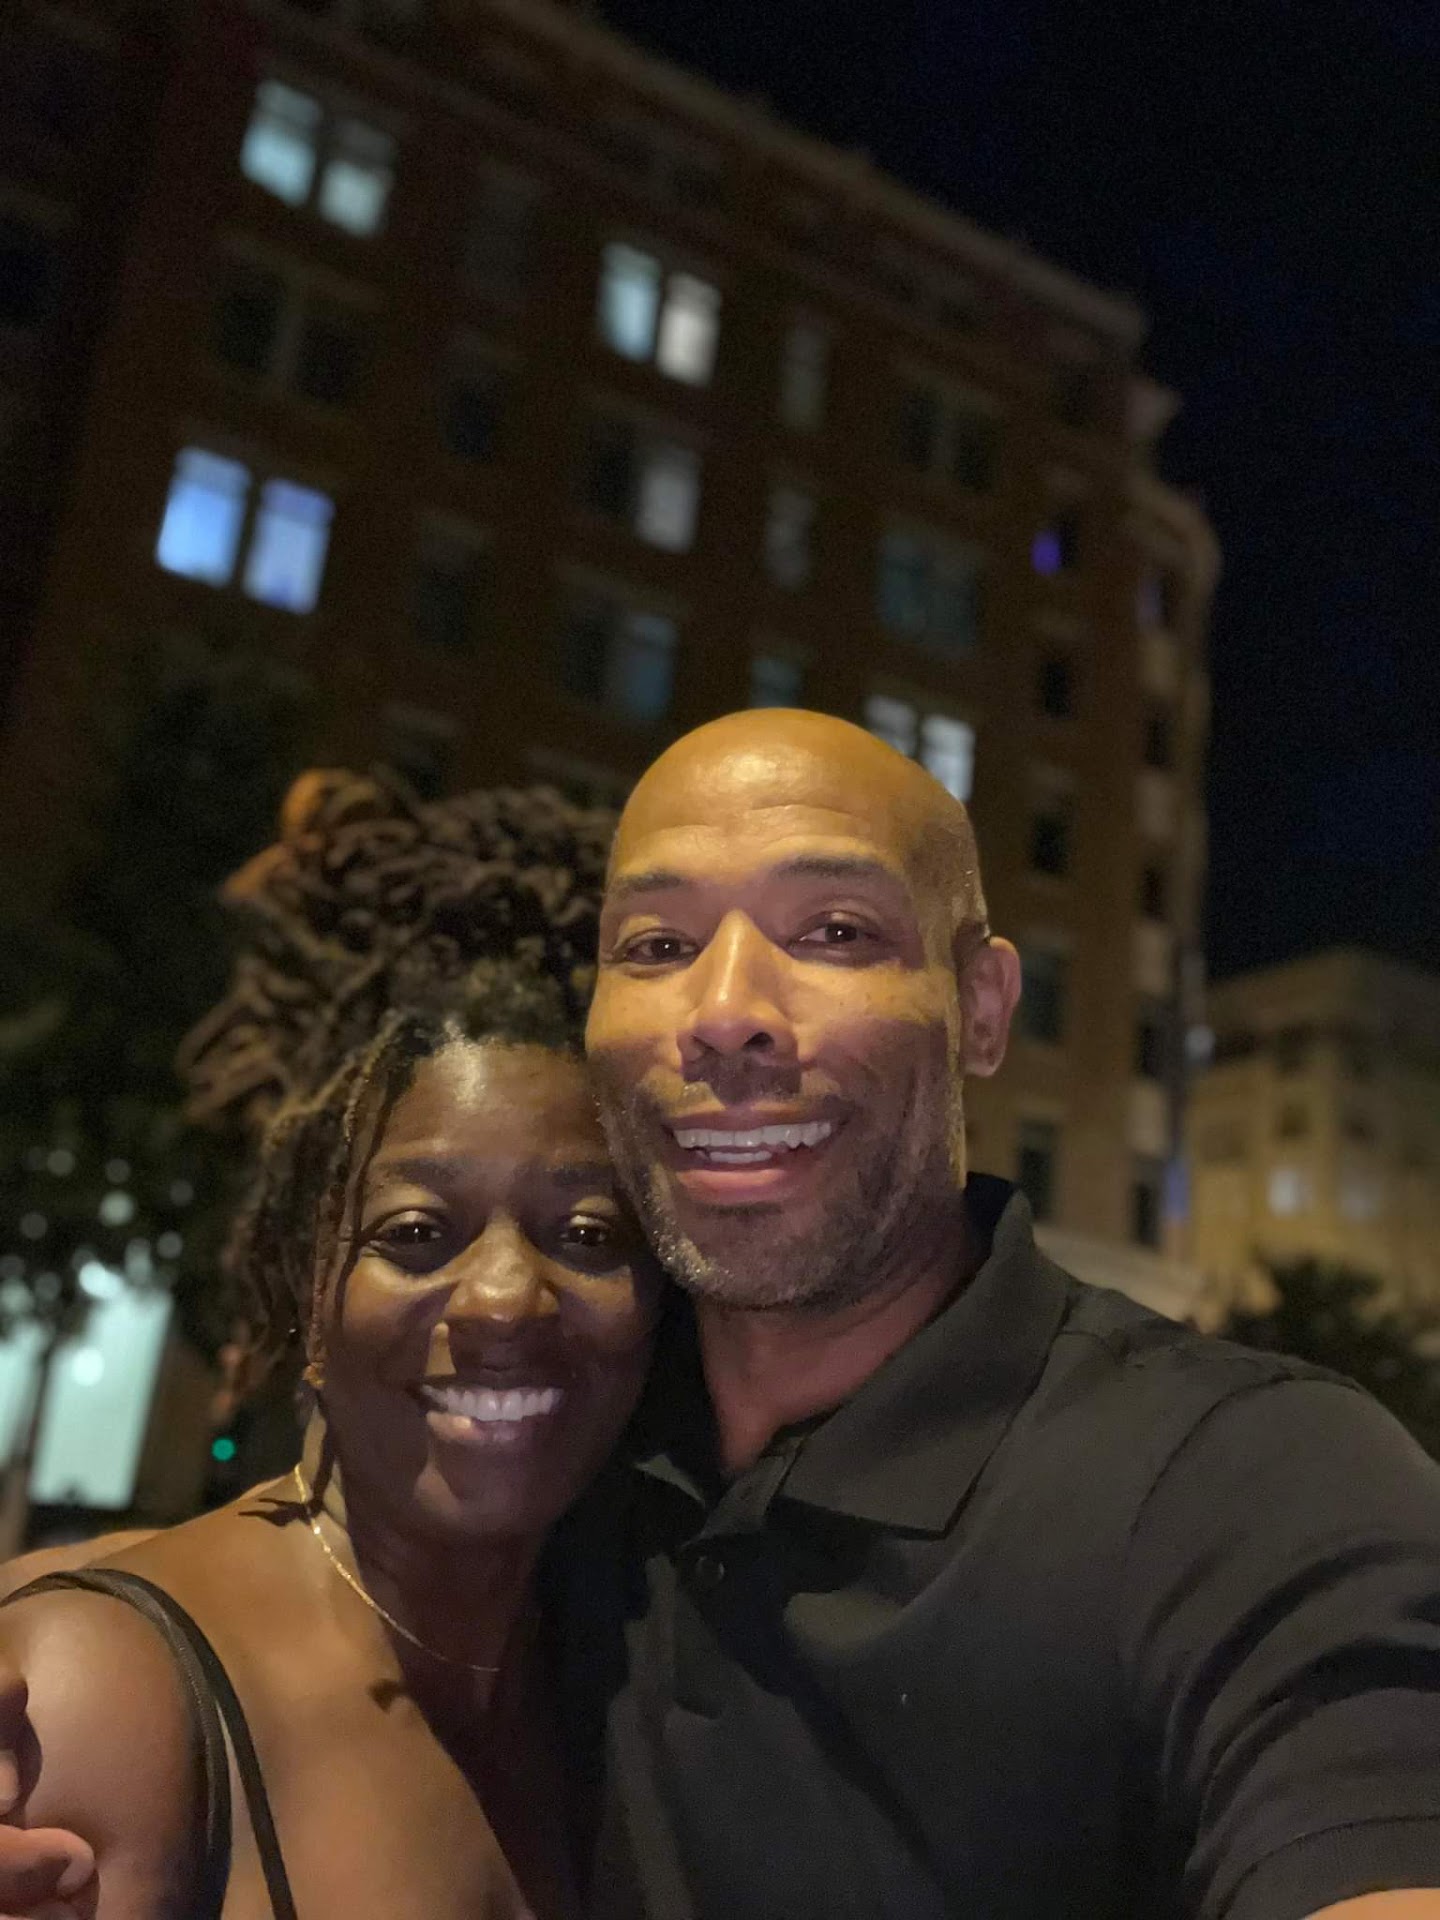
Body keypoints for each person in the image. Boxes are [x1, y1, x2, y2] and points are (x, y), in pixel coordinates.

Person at [7, 710, 1440, 1919]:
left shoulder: (1250, 1487)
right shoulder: (573, 1434)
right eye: (656, 943)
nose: (727, 1008)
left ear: (982, 1007)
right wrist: (58, 1658)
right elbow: (294, 1559)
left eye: (835, 929)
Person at [0, 771, 659, 1919]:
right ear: (313, 1298)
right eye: (416, 1234)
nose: (506, 1298)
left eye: (590, 1234)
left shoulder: (626, 1687)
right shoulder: (100, 1693)